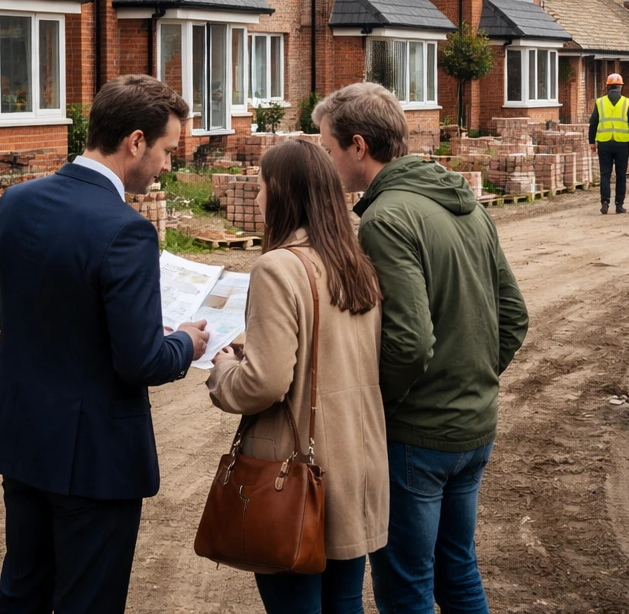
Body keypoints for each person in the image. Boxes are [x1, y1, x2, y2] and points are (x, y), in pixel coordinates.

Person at [0, 74, 210, 614]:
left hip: (23, 436)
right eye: (168, 149)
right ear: (134, 142)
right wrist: (185, 343)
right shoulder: (125, 229)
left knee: (23, 589)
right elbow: (141, 359)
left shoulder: (16, 201)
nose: (168, 166)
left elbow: (0, 313)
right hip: (94, 456)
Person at [313, 82, 529, 614]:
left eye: (327, 148)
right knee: (458, 572)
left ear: (358, 146)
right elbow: (514, 316)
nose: (325, 161)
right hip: (473, 427)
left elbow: (409, 341)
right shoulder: (466, 206)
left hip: (416, 436)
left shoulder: (385, 220)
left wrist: (376, 406)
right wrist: (473, 380)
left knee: (407, 586)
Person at [207, 138, 388, 614]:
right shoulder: (355, 262)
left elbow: (263, 384)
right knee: (344, 602)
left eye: (262, 186)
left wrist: (222, 369)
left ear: (283, 192)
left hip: (296, 472)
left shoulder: (278, 267)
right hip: (355, 463)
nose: (258, 197)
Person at [588, 72, 629, 215]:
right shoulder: (627, 103)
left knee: (605, 174)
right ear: (621, 87)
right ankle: (619, 205)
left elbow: (593, 123)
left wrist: (592, 142)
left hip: (604, 143)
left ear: (607, 87)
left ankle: (605, 202)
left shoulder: (600, 102)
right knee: (621, 175)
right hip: (622, 143)